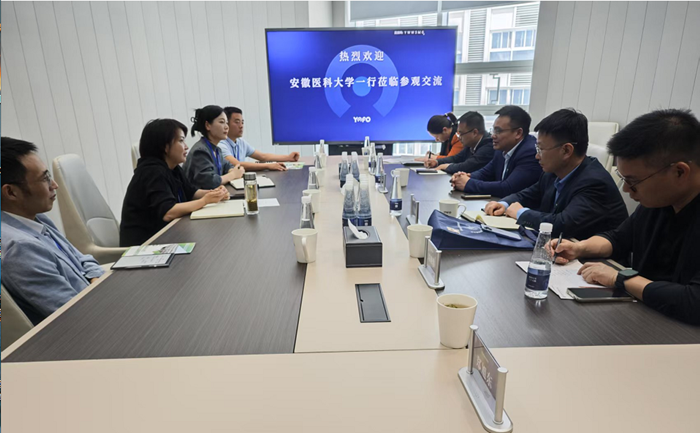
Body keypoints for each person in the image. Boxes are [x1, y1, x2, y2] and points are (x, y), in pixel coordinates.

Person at [552, 109, 700, 325]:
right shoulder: (660, 201)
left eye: (633, 181)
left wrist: (620, 278)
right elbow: (619, 238)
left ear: (679, 172)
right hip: (647, 314)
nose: (626, 190)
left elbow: (694, 301)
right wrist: (579, 248)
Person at [1, 137, 105, 325]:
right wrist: (97, 288)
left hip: (96, 302)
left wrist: (94, 280)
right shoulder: (20, 248)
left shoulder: (35, 218)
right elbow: (76, 313)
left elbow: (83, 259)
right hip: (86, 327)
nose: (54, 185)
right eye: (45, 178)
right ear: (11, 192)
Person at [484, 108, 628, 239]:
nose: (537, 156)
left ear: (566, 150)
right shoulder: (553, 172)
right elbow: (528, 194)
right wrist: (504, 204)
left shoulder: (595, 182)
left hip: (592, 257)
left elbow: (562, 224)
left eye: (541, 149)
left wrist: (521, 213)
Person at [120, 119, 230, 247]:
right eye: (181, 141)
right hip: (146, 246)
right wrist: (205, 200)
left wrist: (215, 193)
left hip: (166, 237)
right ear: (165, 147)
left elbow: (192, 193)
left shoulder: (173, 168)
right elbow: (168, 212)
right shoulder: (151, 172)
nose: (186, 147)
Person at [450, 105, 541, 197]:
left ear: (518, 133)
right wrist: (465, 177)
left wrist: (468, 184)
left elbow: (508, 188)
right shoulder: (501, 149)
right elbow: (485, 173)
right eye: (493, 130)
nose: (493, 135)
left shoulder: (530, 153)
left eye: (498, 131)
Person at [219, 107, 300, 171]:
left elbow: (263, 156)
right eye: (237, 122)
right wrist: (268, 166)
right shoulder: (221, 145)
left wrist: (288, 157)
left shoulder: (241, 142)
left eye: (242, 122)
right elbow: (237, 165)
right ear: (226, 124)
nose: (241, 126)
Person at [183, 105, 245, 189]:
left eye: (226, 123)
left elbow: (228, 165)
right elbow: (210, 182)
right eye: (222, 122)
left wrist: (232, 170)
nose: (226, 127)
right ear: (208, 125)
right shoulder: (200, 151)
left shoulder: (217, 149)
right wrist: (233, 174)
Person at [424, 111, 494, 175]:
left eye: (461, 133)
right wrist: (437, 162)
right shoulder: (471, 144)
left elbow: (467, 166)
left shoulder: (488, 146)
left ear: (474, 133)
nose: (459, 137)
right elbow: (456, 158)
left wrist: (446, 166)